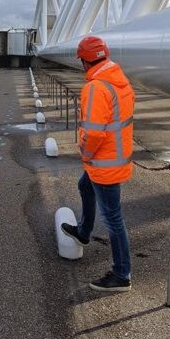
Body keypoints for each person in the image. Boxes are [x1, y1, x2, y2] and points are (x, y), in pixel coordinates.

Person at [60, 35, 135, 293]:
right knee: (84, 186)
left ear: (84, 61)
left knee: (113, 219)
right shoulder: (119, 82)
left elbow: (93, 133)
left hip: (103, 162)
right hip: (115, 158)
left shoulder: (95, 88)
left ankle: (122, 274)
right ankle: (83, 231)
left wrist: (86, 153)